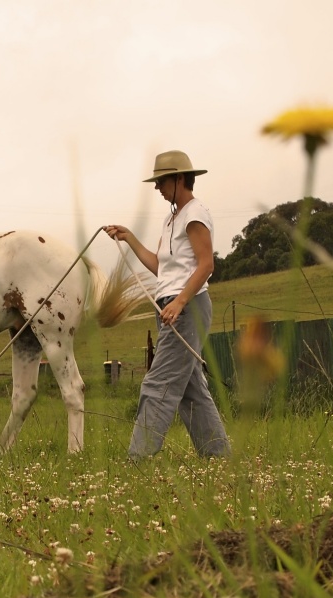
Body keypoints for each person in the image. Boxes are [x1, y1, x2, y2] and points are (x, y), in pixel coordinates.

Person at [104, 150, 230, 458]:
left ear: (179, 179)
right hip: (171, 307)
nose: (158, 188)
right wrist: (130, 238)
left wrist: (180, 301)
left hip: (186, 308)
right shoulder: (171, 219)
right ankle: (217, 456)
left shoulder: (195, 214)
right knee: (190, 390)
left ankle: (138, 459)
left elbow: (206, 264)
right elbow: (163, 269)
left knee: (157, 383)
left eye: (162, 182)